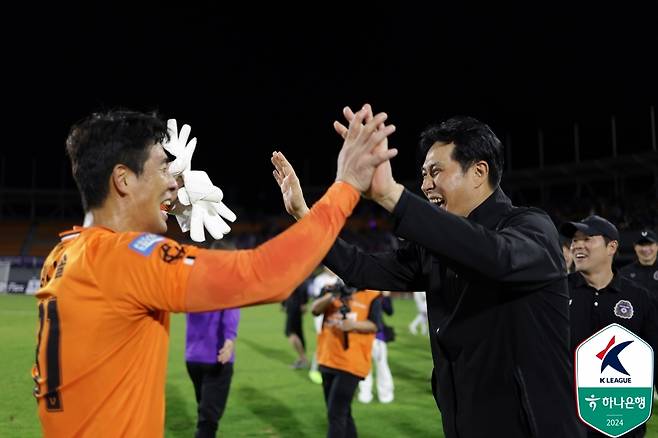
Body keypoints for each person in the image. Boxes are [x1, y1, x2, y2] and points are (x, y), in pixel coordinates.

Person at [32, 106, 397, 436]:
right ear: (123, 180)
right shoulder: (124, 260)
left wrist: (164, 204)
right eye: (163, 168)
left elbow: (128, 270)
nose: (174, 181)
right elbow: (265, 274)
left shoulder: (65, 252)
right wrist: (346, 185)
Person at [272, 105, 583, 438]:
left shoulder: (531, 228)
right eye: (423, 174)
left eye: (436, 171)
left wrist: (391, 194)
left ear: (479, 172)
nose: (426, 184)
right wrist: (305, 217)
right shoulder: (434, 248)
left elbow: (495, 258)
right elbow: (359, 267)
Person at [561, 215, 658, 438]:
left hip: (622, 422)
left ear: (611, 246)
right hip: (569, 423)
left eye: (587, 238)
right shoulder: (556, 293)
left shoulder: (639, 299)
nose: (578, 245)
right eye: (574, 240)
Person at [312, 282, 381, 438]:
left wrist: (353, 325)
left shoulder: (371, 294)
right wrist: (331, 296)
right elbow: (315, 310)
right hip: (328, 359)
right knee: (343, 413)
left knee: (335, 413)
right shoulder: (330, 289)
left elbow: (375, 325)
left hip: (352, 363)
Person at [186, 307, 240, 438]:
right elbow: (232, 308)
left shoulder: (193, 288)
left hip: (193, 358)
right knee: (208, 420)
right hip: (216, 357)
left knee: (204, 410)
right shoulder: (226, 289)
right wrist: (229, 339)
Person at [358, 290, 395, 404]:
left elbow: (389, 311)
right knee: (364, 365)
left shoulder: (377, 294)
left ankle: (385, 395)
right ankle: (365, 394)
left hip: (377, 336)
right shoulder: (359, 293)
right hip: (362, 334)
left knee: (382, 365)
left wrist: (386, 296)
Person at [307, 266, 340, 383]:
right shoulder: (319, 280)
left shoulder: (341, 278)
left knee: (336, 342)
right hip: (322, 316)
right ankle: (315, 369)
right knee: (323, 340)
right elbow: (318, 299)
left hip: (338, 315)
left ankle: (333, 368)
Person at [619, 229, 658, 295]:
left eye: (649, 244)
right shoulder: (624, 273)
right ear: (635, 247)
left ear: (657, 246)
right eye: (641, 244)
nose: (645, 249)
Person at [283, 277, 310, 369]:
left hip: (294, 306)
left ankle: (303, 359)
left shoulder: (296, 274)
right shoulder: (296, 273)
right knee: (298, 332)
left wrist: (303, 303)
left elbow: (302, 287)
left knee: (290, 333)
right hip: (294, 305)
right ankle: (302, 358)